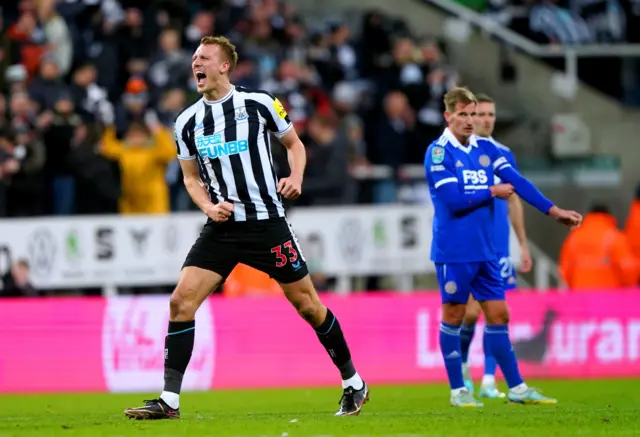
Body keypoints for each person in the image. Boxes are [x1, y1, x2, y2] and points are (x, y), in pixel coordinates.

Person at [124, 36, 369, 420]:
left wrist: (296, 176)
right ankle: (169, 400)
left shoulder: (259, 104)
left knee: (307, 305)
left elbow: (295, 145)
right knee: (180, 301)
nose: (196, 64)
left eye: (204, 58)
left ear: (224, 65)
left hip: (266, 223)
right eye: (193, 59)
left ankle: (353, 383)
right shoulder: (187, 121)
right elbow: (190, 178)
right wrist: (207, 205)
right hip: (221, 227)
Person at [424, 87, 582, 407]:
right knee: (454, 314)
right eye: (463, 115)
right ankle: (458, 391)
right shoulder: (439, 152)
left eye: (473, 114)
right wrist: (491, 191)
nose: (470, 121)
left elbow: (519, 183)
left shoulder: (486, 149)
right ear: (448, 116)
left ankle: (518, 388)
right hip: (455, 250)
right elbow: (454, 202)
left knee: (499, 314)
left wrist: (554, 212)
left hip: (487, 250)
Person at [459, 94, 533, 399]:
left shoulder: (504, 154)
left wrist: (523, 244)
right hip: (473, 244)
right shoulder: (462, 153)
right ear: (472, 117)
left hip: (500, 246)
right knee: (471, 313)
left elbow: (514, 200)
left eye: (491, 114)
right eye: (482, 114)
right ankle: (463, 367)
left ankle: (489, 379)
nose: (487, 119)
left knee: (497, 312)